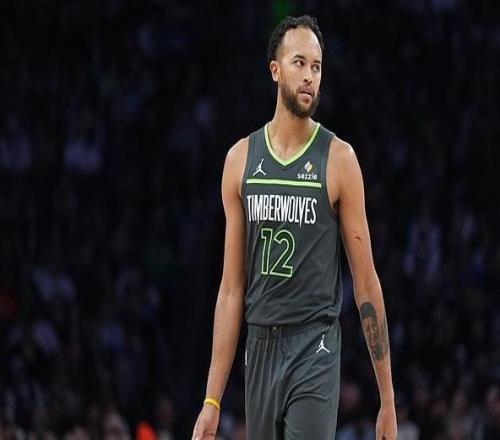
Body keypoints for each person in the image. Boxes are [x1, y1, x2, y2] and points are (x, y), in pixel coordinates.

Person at [192, 15, 397, 440]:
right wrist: (212, 400)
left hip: (314, 344)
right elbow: (231, 290)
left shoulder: (339, 159)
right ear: (275, 70)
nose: (309, 76)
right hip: (260, 344)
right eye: (299, 63)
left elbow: (366, 282)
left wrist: (388, 399)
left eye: (317, 67)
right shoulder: (240, 160)